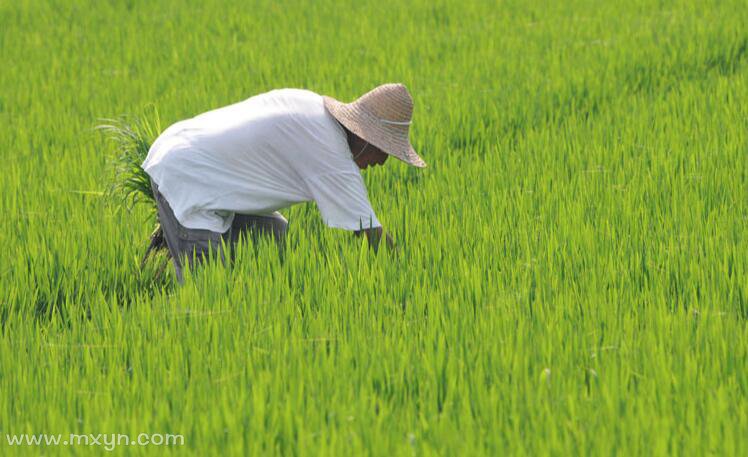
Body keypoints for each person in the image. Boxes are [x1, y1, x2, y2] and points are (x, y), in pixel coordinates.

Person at [141, 83, 427, 283]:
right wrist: (412, 274)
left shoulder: (313, 107)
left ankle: (262, 298)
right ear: (366, 138)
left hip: (185, 154)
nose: (383, 162)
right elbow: (367, 231)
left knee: (278, 239)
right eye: (384, 150)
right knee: (207, 292)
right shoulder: (331, 155)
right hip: (187, 176)